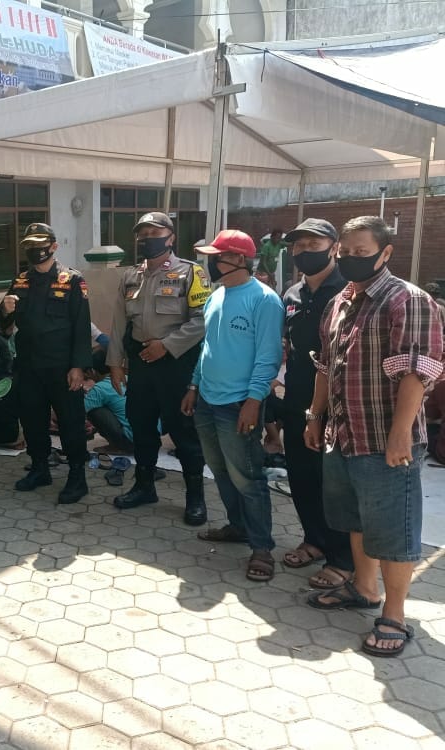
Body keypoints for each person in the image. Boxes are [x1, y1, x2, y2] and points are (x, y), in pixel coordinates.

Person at [305, 215, 443, 658]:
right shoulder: (342, 301)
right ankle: (364, 590)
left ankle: (395, 615)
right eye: (345, 253)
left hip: (386, 440)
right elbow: (326, 365)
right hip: (343, 434)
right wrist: (315, 415)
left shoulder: (407, 300)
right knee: (354, 519)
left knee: (394, 529)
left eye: (361, 253)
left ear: (385, 253)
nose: (350, 260)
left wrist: (401, 433)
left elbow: (418, 373)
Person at [181, 229, 284, 582]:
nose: (208, 263)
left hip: (239, 403)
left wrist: (254, 402)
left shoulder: (264, 300)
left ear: (238, 260)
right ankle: (237, 526)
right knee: (221, 470)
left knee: (248, 476)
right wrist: (194, 385)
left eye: (215, 256)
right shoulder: (217, 295)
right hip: (208, 399)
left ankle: (261, 547)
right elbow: (208, 347)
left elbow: (268, 358)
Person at [107, 212, 210, 525]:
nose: (148, 237)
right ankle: (144, 485)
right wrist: (115, 363)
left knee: (182, 430)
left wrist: (167, 344)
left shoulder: (192, 273)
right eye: (143, 233)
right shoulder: (130, 276)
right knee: (141, 425)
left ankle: (195, 498)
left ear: (171, 238)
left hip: (175, 362)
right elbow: (118, 322)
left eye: (155, 231)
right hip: (140, 362)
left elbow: (203, 319)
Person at [277, 219, 352, 589]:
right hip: (297, 401)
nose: (304, 250)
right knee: (302, 477)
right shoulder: (291, 295)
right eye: (298, 245)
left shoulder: (349, 293)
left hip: (338, 408)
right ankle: (314, 541)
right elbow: (286, 346)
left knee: (334, 484)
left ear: (334, 247)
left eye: (313, 243)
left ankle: (343, 559)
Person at [0, 222, 91, 504]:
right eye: (30, 246)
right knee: (33, 421)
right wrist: (5, 311)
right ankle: (40, 468)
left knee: (70, 423)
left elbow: (81, 326)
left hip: (62, 366)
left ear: (53, 246)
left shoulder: (72, 280)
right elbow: (5, 327)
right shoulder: (21, 280)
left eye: (41, 245)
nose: (35, 250)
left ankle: (77, 477)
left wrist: (78, 367)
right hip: (29, 365)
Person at [83, 353, 133, 454]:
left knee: (95, 411)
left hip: (132, 442)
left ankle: (120, 446)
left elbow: (78, 411)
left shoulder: (100, 388)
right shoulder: (128, 379)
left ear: (91, 371)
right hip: (152, 439)